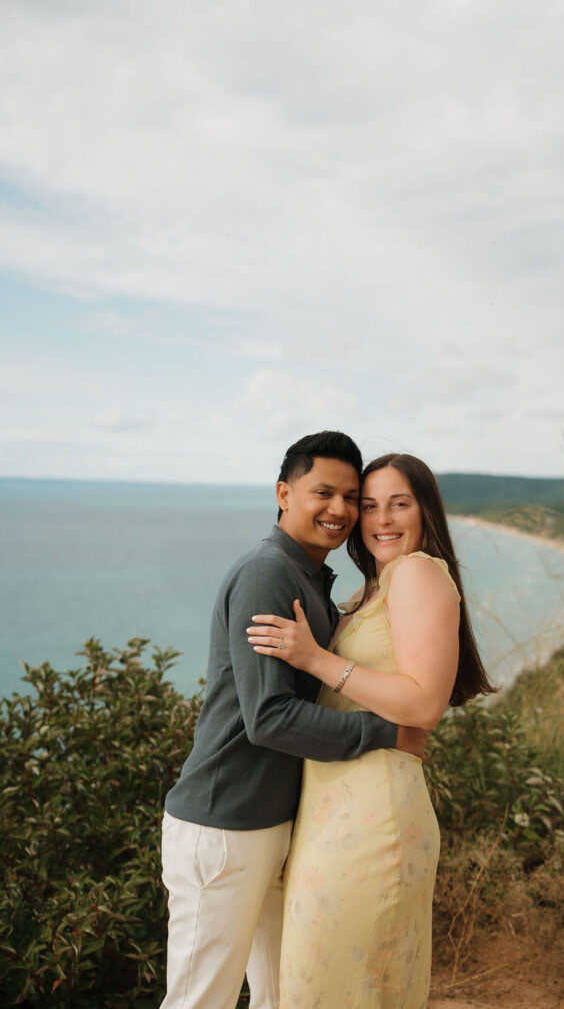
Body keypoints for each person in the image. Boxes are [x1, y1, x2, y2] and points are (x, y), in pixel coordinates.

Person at [160, 432, 426, 1009]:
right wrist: (384, 732)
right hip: (224, 821)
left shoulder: (310, 578)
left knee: (283, 995)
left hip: (274, 823)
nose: (340, 510)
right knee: (199, 998)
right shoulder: (268, 573)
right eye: (323, 492)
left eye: (351, 496)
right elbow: (269, 719)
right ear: (284, 493)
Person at [248, 452, 496, 1007]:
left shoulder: (417, 572)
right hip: (337, 811)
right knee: (332, 984)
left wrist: (315, 659)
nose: (382, 519)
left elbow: (424, 704)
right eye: (370, 506)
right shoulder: (374, 588)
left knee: (335, 987)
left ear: (424, 511)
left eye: (399, 504)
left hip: (372, 818)